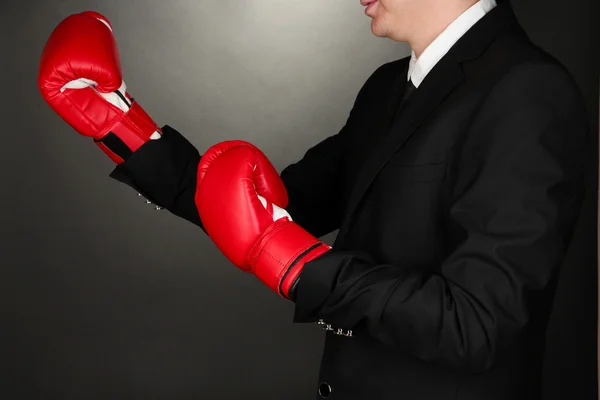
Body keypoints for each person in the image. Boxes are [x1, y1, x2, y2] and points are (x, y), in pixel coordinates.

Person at [38, 0, 591, 398]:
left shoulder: (527, 90)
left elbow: (478, 324)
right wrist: (122, 125)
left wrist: (301, 268)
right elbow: (265, 213)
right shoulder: (388, 87)